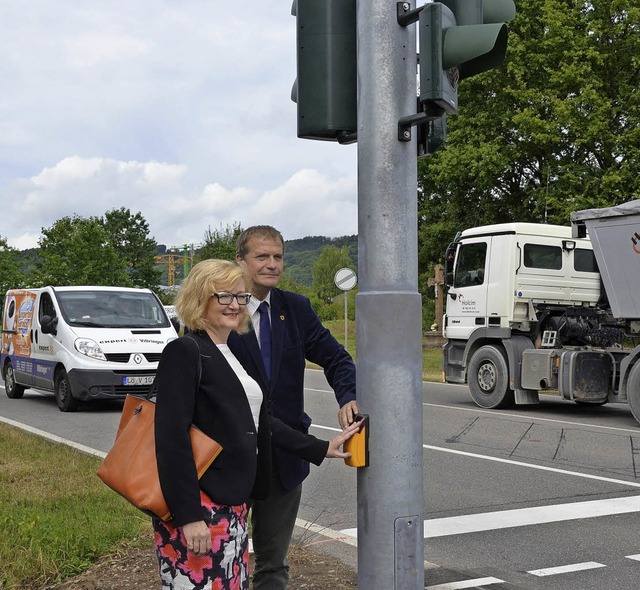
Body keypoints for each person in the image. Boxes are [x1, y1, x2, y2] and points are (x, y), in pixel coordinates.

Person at [153, 259, 361, 590]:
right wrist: (189, 518)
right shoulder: (185, 351)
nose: (235, 305)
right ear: (199, 299)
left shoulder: (226, 351)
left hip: (232, 505)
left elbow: (259, 425)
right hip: (202, 508)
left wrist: (321, 447)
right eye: (224, 297)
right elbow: (170, 440)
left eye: (240, 296)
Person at [228, 226, 358, 590]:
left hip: (283, 459)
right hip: (227, 458)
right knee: (222, 559)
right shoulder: (222, 308)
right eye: (261, 256)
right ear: (241, 260)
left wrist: (347, 395)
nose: (272, 264)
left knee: (272, 566)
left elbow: (336, 358)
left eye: (278, 257)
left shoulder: (295, 309)